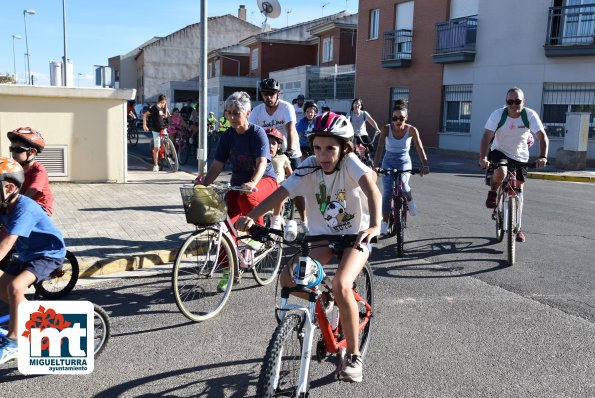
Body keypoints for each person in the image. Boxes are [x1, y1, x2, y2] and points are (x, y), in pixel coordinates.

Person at [236, 112, 381, 383]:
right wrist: (253, 215)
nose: (323, 154)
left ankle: (354, 355)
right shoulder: (308, 166)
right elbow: (281, 192)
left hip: (355, 236)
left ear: (344, 148)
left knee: (341, 284)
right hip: (322, 236)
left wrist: (374, 225)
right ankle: (325, 301)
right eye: (317, 147)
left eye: (330, 148)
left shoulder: (350, 163)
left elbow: (373, 190)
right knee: (287, 279)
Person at [0, 157, 67, 365]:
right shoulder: (3, 206)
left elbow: (6, 244)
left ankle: (14, 342)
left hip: (48, 254)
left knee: (14, 287)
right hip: (28, 253)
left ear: (9, 187)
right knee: (2, 288)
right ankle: (34, 322)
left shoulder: (24, 208)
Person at [199, 91, 278, 233]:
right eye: (229, 112)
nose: (231, 117)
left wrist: (253, 182)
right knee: (225, 217)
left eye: (236, 113)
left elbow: (262, 163)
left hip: (265, 180)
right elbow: (217, 166)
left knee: (246, 199)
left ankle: (258, 235)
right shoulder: (227, 136)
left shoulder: (257, 133)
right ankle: (227, 253)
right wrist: (203, 184)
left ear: (248, 113)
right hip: (239, 184)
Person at [479, 87, 549, 242]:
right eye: (510, 101)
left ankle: (518, 228)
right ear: (506, 102)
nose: (513, 105)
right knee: (501, 172)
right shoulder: (498, 114)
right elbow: (486, 136)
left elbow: (542, 136)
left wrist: (543, 156)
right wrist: (483, 157)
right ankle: (493, 191)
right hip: (500, 151)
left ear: (523, 101)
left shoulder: (529, 115)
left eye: (517, 101)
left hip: (520, 156)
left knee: (519, 190)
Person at [249, 78, 307, 227]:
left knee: (296, 186)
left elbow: (291, 130)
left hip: (288, 151)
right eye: (265, 94)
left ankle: (304, 221)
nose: (268, 97)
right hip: (267, 153)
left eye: (272, 94)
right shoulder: (257, 112)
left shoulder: (286, 108)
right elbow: (252, 136)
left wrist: (290, 151)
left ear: (278, 95)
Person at [373, 99, 429, 235]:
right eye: (395, 118)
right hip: (388, 161)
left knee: (404, 186)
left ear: (406, 118)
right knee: (387, 192)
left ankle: (410, 200)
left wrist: (425, 165)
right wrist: (376, 166)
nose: (398, 121)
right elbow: (380, 147)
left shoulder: (412, 130)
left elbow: (420, 148)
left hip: (404, 161)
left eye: (401, 118)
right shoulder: (386, 129)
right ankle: (385, 222)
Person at [6, 127, 53, 215]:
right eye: (11, 149)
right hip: (23, 204)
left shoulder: (39, 171)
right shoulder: (15, 167)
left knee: (14, 223)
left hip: (40, 207)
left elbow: (30, 194)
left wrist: (10, 207)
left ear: (33, 152)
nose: (13, 153)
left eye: (18, 150)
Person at [266, 128, 292, 230]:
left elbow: (291, 174)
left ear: (279, 146)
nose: (270, 146)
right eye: (267, 143)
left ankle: (276, 218)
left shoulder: (283, 158)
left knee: (279, 192)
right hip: (265, 185)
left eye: (273, 144)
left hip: (279, 185)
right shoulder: (260, 158)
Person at [143, 94, 170, 172]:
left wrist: (166, 110)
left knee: (167, 142)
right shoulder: (154, 108)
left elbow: (164, 116)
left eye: (165, 103)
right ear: (160, 101)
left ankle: (169, 156)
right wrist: (144, 125)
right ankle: (155, 165)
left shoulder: (163, 108)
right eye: (163, 103)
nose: (164, 104)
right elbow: (145, 115)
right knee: (157, 148)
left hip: (163, 128)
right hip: (156, 130)